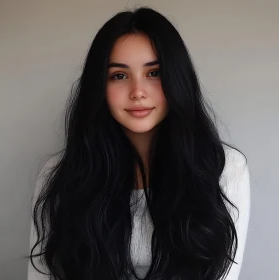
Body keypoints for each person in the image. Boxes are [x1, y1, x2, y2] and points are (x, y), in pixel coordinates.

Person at [26, 7, 250, 280]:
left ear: (177, 79)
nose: (138, 92)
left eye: (154, 73)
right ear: (99, 87)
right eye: (119, 75)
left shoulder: (223, 169)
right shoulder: (59, 175)